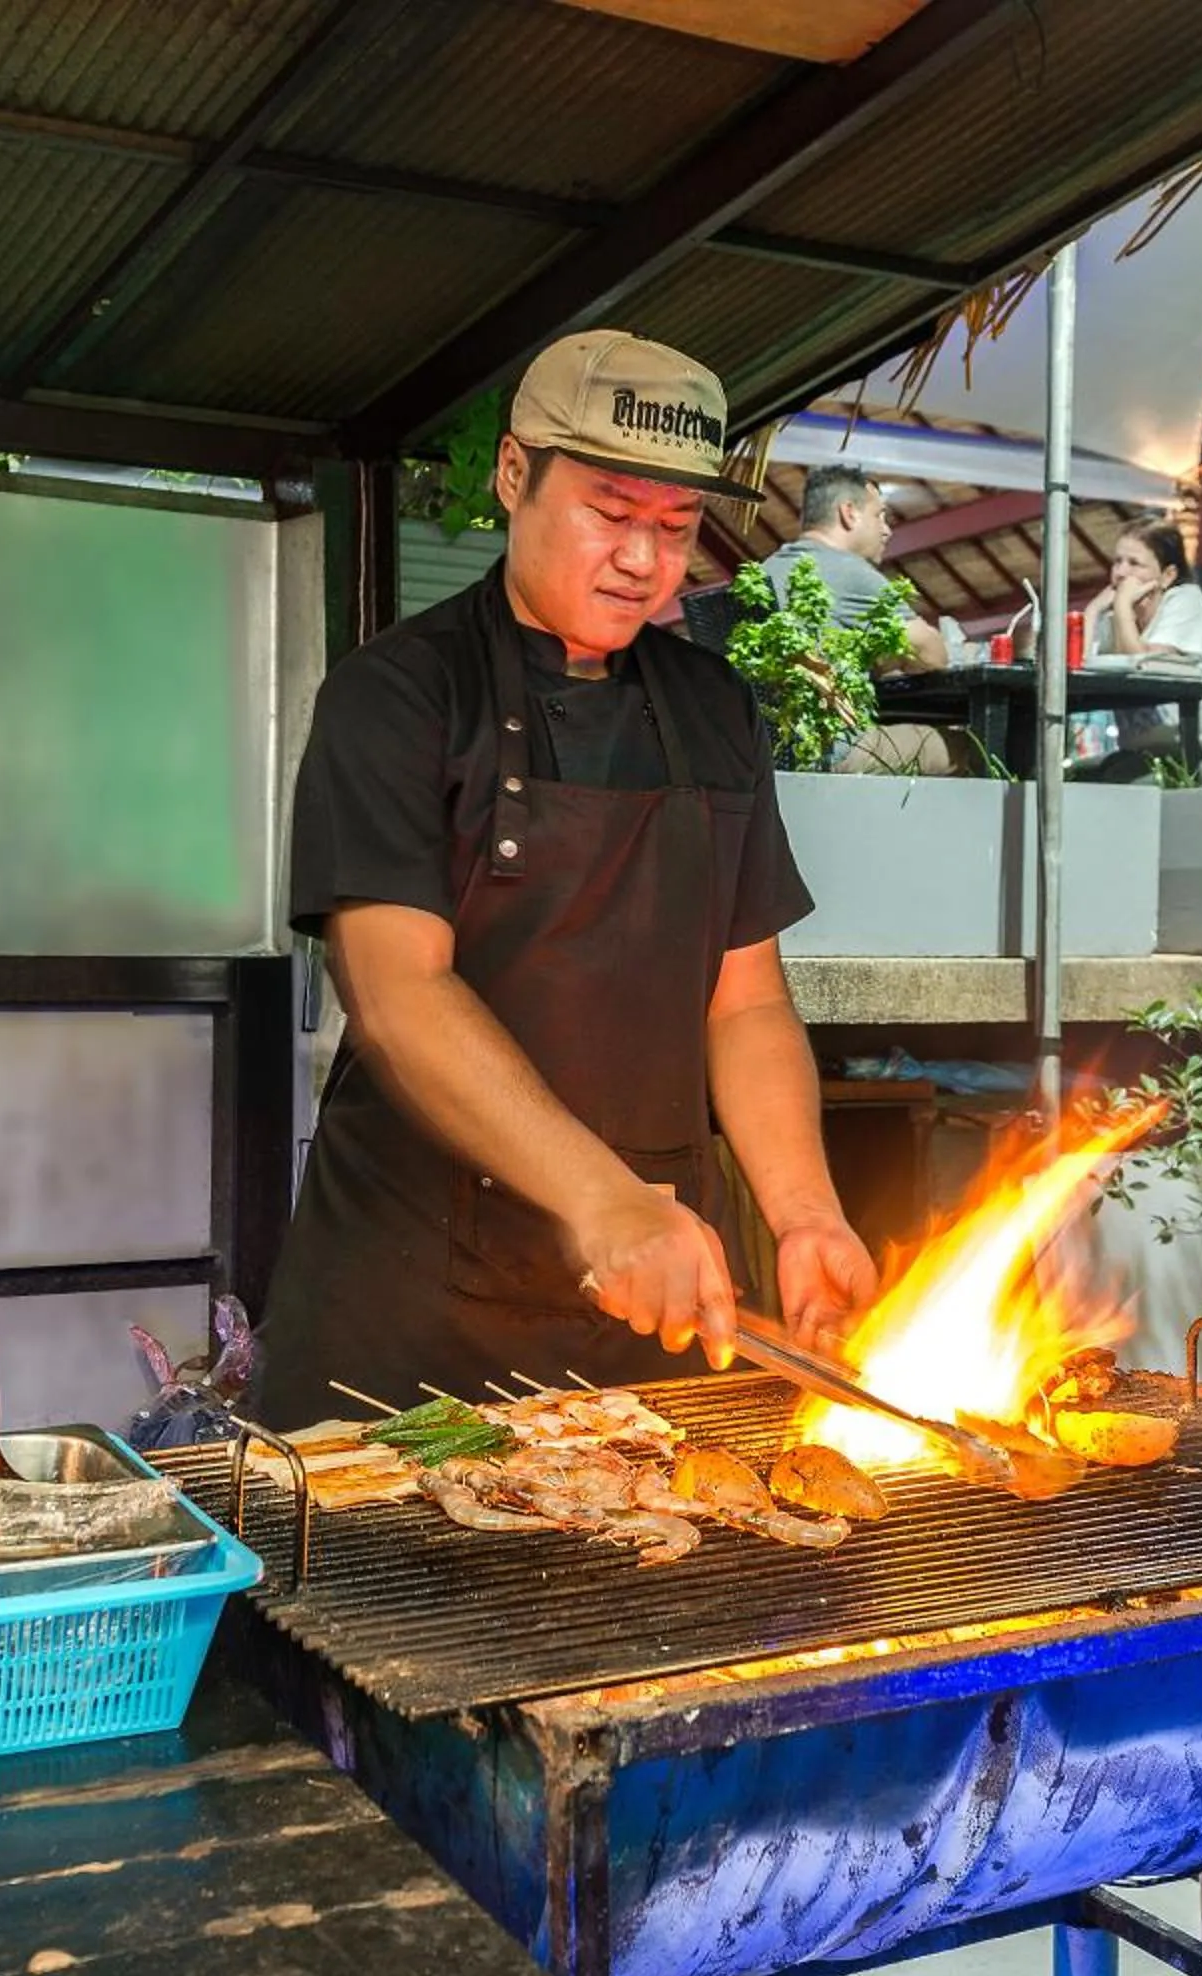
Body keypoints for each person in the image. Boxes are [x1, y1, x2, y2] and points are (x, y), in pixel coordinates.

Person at [264, 330, 880, 1424]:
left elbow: (745, 1002)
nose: (645, 560)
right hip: (413, 1326)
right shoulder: (397, 696)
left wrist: (804, 1215)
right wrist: (602, 1199)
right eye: (610, 510)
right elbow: (401, 994)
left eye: (676, 526)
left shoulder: (715, 710)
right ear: (516, 475)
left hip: (653, 1315)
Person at [759, 463, 948, 671]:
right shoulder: (849, 572)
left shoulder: (766, 571)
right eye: (878, 516)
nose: (886, 531)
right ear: (849, 513)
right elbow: (932, 656)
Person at [1082, 519, 1202, 671]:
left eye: (1134, 563)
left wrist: (1122, 605)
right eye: (1117, 561)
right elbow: (1079, 665)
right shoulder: (1113, 614)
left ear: (1167, 576)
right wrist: (1092, 611)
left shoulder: (1186, 601)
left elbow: (1143, 668)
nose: (1120, 573)